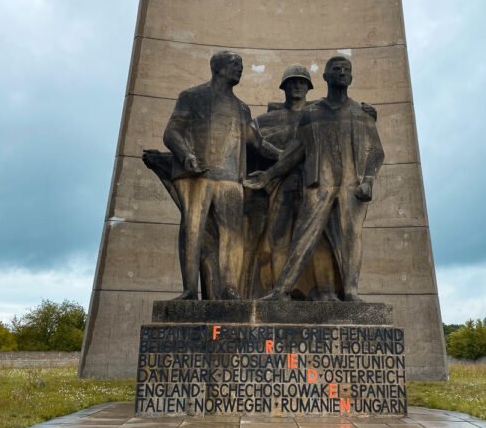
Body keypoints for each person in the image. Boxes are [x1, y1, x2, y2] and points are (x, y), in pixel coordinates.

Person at [244, 56, 384, 302]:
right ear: (326, 76)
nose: (341, 73)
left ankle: (351, 291)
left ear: (351, 77)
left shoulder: (361, 114)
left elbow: (376, 152)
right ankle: (280, 291)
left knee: (351, 238)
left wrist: (369, 180)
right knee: (303, 237)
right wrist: (268, 175)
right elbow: (295, 153)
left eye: (346, 70)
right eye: (336, 69)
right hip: (318, 186)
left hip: (352, 189)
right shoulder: (312, 114)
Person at [163, 50, 278, 300]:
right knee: (193, 229)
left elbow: (257, 143)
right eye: (235, 64)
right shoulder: (192, 97)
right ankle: (190, 290)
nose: (240, 69)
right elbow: (172, 132)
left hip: (230, 180)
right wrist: (186, 156)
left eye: (242, 65)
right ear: (217, 67)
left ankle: (230, 288)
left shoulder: (242, 108)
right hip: (196, 176)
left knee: (232, 235)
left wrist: (288, 156)